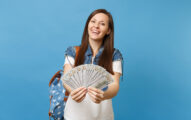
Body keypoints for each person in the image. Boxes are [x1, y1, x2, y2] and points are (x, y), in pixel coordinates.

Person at [62, 9, 123, 120]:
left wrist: (103, 95)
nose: (96, 26)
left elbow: (115, 85)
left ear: (108, 30)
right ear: (87, 25)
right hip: (73, 116)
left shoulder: (114, 55)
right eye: (93, 21)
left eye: (102, 24)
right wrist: (73, 92)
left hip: (103, 116)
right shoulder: (73, 51)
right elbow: (66, 79)